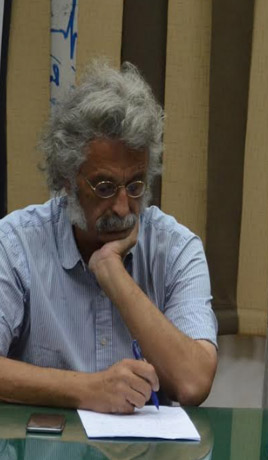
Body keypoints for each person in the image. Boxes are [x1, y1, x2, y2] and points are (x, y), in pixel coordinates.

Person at [0, 62, 218, 413]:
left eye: (135, 185)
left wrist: (112, 271)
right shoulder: (16, 243)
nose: (122, 207)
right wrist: (88, 389)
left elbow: (193, 383)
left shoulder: (177, 249)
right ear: (67, 180)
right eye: (104, 187)